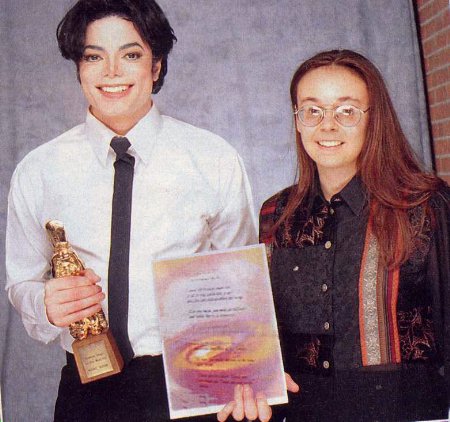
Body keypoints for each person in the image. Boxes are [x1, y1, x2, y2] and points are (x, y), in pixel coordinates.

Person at [5, 1, 257, 421]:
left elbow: (243, 289)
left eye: (131, 54)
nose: (111, 72)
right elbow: (22, 283)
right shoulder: (39, 170)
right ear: (79, 67)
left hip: (194, 382)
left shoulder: (213, 159)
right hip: (87, 387)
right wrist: (45, 305)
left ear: (156, 66)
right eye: (94, 57)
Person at [220, 49, 450, 421]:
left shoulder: (426, 207)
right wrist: (254, 378)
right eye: (312, 110)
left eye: (346, 110)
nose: (327, 125)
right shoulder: (276, 214)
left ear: (374, 119)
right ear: (297, 120)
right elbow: (264, 336)